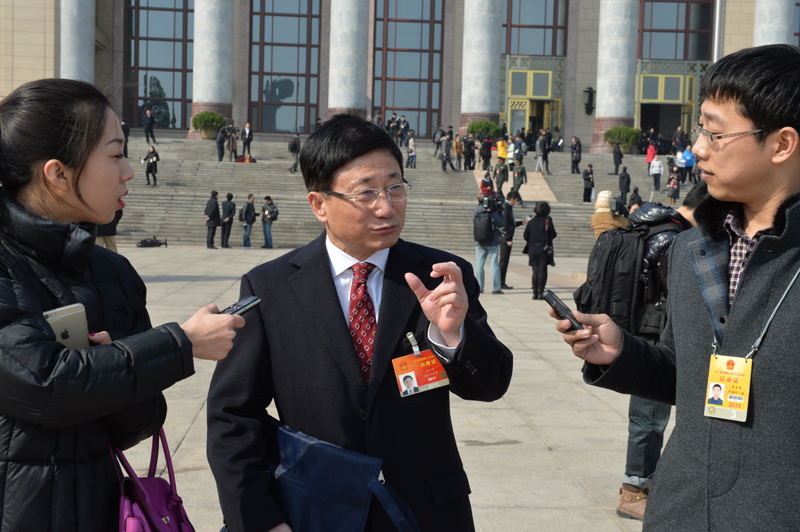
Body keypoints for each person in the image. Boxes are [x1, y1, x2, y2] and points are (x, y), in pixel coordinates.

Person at [207, 114, 513, 532]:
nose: (386, 208)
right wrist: (260, 520)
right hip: (314, 512)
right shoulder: (270, 288)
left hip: (427, 512)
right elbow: (233, 416)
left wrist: (453, 335)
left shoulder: (440, 276)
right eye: (366, 193)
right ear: (319, 204)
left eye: (395, 187)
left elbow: (491, 384)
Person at [551, 44, 800, 531]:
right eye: (699, 129)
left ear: (782, 144)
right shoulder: (691, 250)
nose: (698, 148)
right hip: (680, 512)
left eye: (715, 133)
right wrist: (621, 353)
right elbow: (682, 375)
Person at [0, 78, 243, 532]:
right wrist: (180, 343)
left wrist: (111, 365)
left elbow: (140, 423)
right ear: (57, 174)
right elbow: (43, 385)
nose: (129, 171)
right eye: (115, 155)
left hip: (99, 511)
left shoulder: (114, 273)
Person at [611, 185, 705, 521]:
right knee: (649, 416)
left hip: (643, 326)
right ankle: (633, 490)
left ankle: (642, 484)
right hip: (654, 331)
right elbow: (674, 294)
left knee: (648, 415)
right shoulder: (673, 238)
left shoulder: (656, 227)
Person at [473, 194, 505, 294]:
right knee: (494, 265)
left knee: (479, 266)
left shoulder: (476, 212)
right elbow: (501, 223)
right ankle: (495, 288)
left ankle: (479, 287)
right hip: (493, 242)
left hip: (480, 242)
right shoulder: (492, 212)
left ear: (478, 201)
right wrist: (500, 212)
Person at [524, 201, 556, 300]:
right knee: (542, 271)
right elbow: (553, 234)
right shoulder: (548, 220)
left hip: (533, 248)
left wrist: (532, 241)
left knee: (535, 271)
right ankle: (541, 292)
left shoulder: (532, 221)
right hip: (544, 249)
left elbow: (525, 235)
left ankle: (534, 293)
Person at [498, 191, 523, 290]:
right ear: (512, 199)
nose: (516, 202)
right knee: (503, 261)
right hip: (505, 239)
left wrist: (521, 222)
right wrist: (508, 238)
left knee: (505, 261)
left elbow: (510, 223)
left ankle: (501, 281)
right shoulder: (506, 207)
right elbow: (504, 225)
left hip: (506, 237)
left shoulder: (508, 207)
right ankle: (500, 282)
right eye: (516, 200)